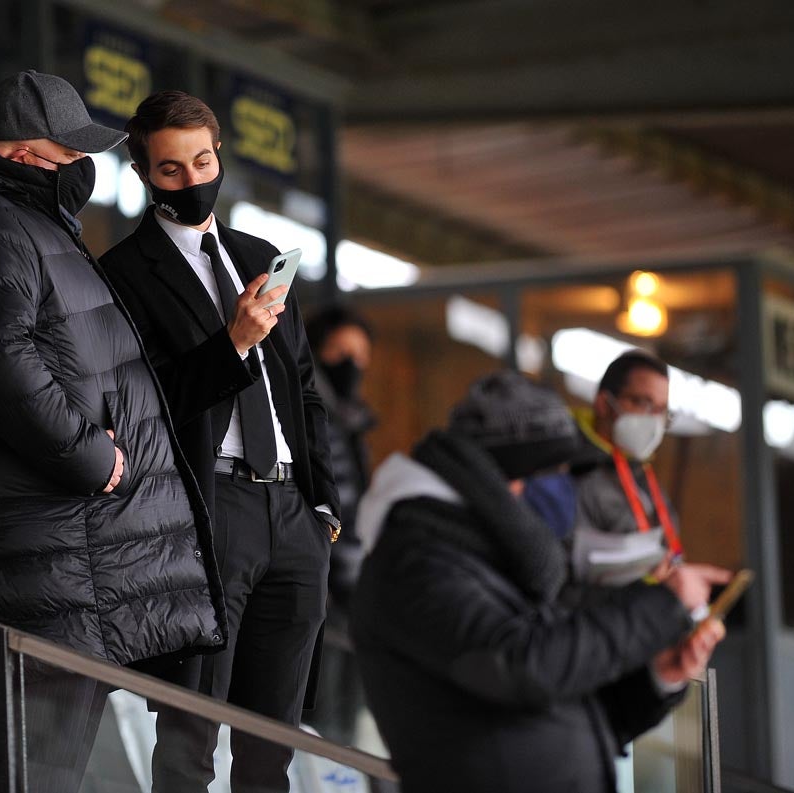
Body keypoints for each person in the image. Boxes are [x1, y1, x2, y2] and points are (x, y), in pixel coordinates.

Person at [0, 71, 226, 791]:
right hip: (36, 568)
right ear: (17, 154)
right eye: (64, 150)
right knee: (26, 777)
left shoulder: (25, 220)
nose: (81, 164)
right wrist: (89, 457)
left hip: (65, 568)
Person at [100, 90, 339, 793]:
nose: (192, 178)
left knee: (273, 736)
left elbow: (302, 387)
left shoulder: (258, 256)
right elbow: (143, 405)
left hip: (291, 511)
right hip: (210, 507)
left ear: (219, 154)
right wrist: (232, 341)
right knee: (190, 724)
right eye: (171, 169)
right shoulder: (120, 275)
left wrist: (321, 502)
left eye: (202, 160)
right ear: (145, 174)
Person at [351, 370, 730, 792]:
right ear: (493, 482)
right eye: (540, 477)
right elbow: (521, 667)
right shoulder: (415, 564)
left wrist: (658, 677)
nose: (552, 498)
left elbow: (565, 711)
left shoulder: (484, 563)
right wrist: (659, 607)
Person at [304, 305, 376, 743]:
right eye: (338, 350)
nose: (350, 362)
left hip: (346, 596)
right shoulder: (316, 413)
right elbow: (339, 505)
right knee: (325, 725)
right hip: (328, 594)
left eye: (359, 353)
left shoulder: (351, 418)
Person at [568, 349, 684, 584]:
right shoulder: (571, 472)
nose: (654, 421)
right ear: (603, 404)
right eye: (644, 403)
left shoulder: (643, 477)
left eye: (662, 410)